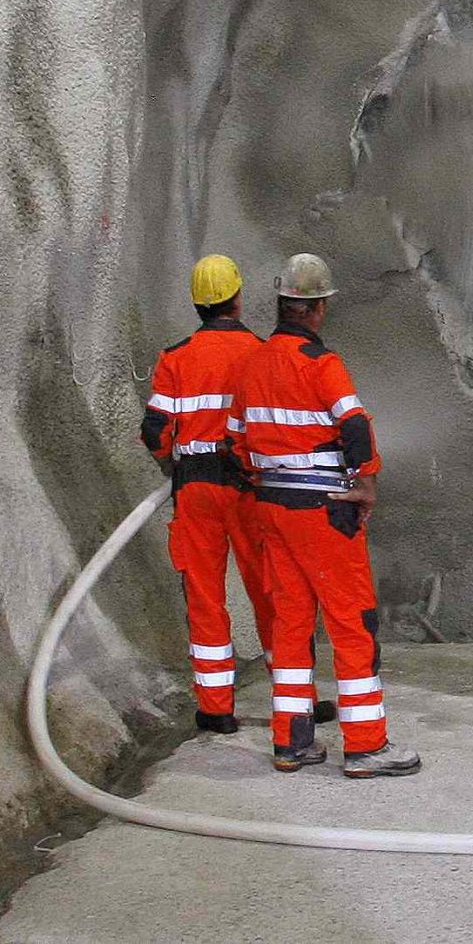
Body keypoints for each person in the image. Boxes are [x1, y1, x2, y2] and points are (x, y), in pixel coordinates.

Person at [235, 254, 420, 778]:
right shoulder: (322, 365)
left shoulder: (250, 364)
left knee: (291, 624)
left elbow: (236, 441)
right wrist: (365, 484)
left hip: (273, 511)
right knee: (351, 621)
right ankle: (365, 745)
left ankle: (292, 743)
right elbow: (355, 427)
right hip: (324, 514)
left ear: (282, 304)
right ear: (317, 309)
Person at [143, 255, 300, 733]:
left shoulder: (175, 358)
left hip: (195, 491)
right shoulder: (260, 353)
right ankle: (293, 705)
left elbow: (154, 433)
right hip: (251, 489)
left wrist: (174, 465)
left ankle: (216, 709)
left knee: (205, 597)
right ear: (237, 297)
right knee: (271, 592)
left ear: (197, 303)